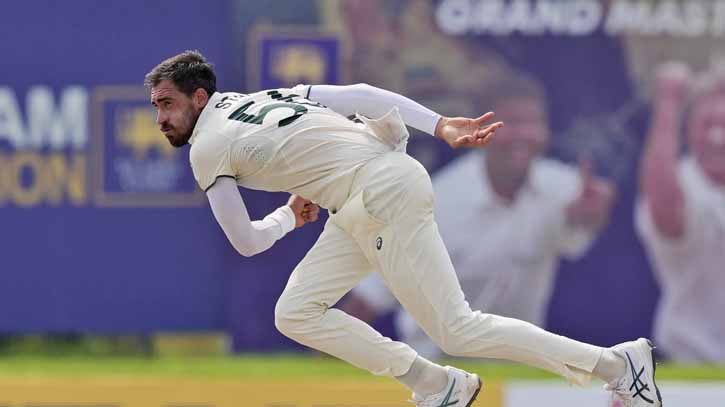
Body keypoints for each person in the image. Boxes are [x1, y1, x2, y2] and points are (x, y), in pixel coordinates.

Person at [144, 50, 662, 407]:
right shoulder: (268, 96)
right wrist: (439, 124)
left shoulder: (207, 146)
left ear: (199, 96)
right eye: (156, 108)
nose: (161, 118)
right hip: (366, 193)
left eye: (168, 104)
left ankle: (619, 367)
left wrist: (284, 217)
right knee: (295, 312)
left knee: (456, 328)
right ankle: (435, 383)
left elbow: (246, 241)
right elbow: (365, 94)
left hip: (376, 195)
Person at [343, 75, 616, 360]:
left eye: (533, 123)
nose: (524, 134)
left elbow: (578, 230)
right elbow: (372, 295)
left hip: (517, 368)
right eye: (511, 123)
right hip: (437, 370)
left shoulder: (562, 187)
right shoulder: (436, 201)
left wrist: (593, 216)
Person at [637, 61, 725, 362]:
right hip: (687, 363)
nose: (717, 137)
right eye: (707, 124)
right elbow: (667, 212)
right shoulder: (681, 183)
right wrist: (668, 105)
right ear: (688, 130)